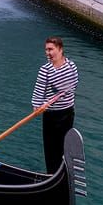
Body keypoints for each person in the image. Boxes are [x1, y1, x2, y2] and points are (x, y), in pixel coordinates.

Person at [31, 35, 78, 173]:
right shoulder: (45, 70)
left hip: (68, 112)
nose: (48, 53)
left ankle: (64, 171)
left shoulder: (71, 66)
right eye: (46, 50)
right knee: (51, 149)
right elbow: (38, 91)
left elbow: (74, 84)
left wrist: (62, 94)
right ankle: (52, 174)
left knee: (63, 146)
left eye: (50, 49)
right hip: (51, 115)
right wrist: (38, 106)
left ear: (60, 49)